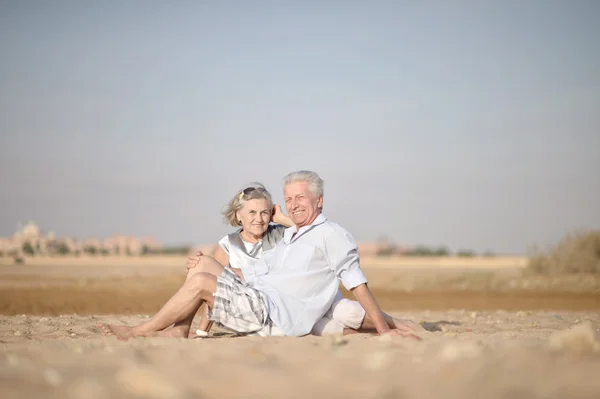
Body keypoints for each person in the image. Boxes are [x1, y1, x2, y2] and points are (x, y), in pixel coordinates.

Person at [99, 171, 418, 340]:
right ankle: (181, 330)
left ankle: (139, 332)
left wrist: (386, 330)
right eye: (288, 199)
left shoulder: (313, 233)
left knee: (345, 312)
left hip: (269, 311)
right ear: (239, 215)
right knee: (202, 266)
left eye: (300, 198)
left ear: (320, 201)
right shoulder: (291, 235)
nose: (292, 205)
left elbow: (355, 280)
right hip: (259, 298)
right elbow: (302, 230)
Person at [191, 182, 414, 337]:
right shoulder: (227, 245)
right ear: (239, 214)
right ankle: (374, 332)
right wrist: (203, 329)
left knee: (346, 311)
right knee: (322, 329)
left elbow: (307, 230)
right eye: (252, 213)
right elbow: (216, 290)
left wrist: (281, 218)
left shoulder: (280, 233)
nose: (259, 219)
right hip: (277, 307)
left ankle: (393, 324)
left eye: (264, 213)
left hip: (311, 294)